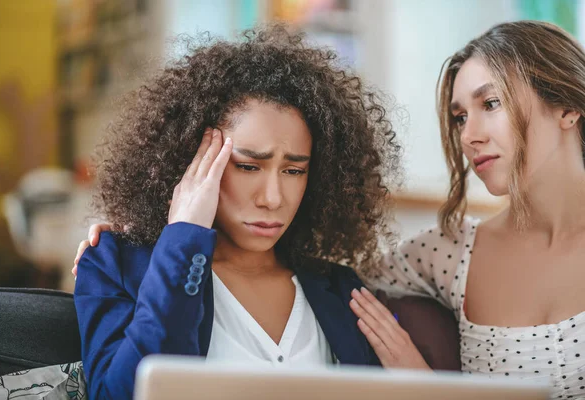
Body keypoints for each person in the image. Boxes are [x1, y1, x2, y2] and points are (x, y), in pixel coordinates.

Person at [73, 25, 403, 400]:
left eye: (294, 171)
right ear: (189, 160)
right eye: (248, 166)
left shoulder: (340, 287)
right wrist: (181, 240)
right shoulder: (115, 263)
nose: (273, 198)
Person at [345, 20, 585, 398]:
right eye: (460, 117)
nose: (469, 136)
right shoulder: (450, 253)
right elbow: (330, 283)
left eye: (491, 103)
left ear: (568, 108)